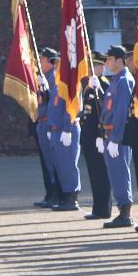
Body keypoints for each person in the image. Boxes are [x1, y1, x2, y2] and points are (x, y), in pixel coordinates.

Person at [96, 45, 136, 228]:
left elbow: (121, 112)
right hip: (109, 133)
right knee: (115, 173)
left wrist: (116, 138)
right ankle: (122, 209)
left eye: (110, 59)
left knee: (120, 173)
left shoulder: (124, 80)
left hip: (116, 135)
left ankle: (125, 212)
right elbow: (108, 108)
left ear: (120, 60)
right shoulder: (115, 80)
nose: (107, 62)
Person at [40, 47, 82, 211]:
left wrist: (67, 128)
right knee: (61, 165)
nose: (57, 67)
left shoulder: (70, 84)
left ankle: (72, 198)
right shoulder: (57, 84)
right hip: (56, 129)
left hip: (67, 130)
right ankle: (65, 196)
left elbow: (72, 108)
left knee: (69, 165)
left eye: (59, 64)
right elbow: (53, 108)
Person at [80, 61, 112, 219]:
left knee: (101, 175)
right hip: (89, 138)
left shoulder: (104, 85)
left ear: (102, 68)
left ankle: (103, 209)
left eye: (96, 66)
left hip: (98, 138)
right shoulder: (89, 85)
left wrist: (101, 136)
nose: (92, 70)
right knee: (94, 175)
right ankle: (97, 208)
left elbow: (104, 111)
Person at [31, 46, 62, 208]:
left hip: (49, 123)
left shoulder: (53, 78)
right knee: (47, 162)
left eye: (42, 60)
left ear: (51, 62)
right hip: (41, 122)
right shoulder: (43, 77)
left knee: (53, 162)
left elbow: (53, 102)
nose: (40, 63)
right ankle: (50, 193)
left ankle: (56, 194)